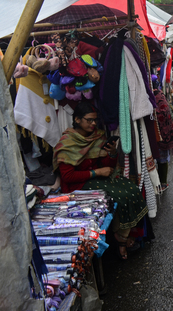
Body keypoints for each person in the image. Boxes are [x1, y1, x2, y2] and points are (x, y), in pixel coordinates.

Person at [53, 102, 148, 260]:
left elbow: (106, 167)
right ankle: (121, 239)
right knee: (120, 196)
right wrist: (95, 172)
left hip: (98, 178)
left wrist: (111, 154)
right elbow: (67, 177)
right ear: (77, 119)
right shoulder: (67, 143)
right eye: (89, 120)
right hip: (78, 185)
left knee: (131, 189)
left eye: (95, 120)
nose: (93, 124)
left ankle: (122, 234)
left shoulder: (97, 136)